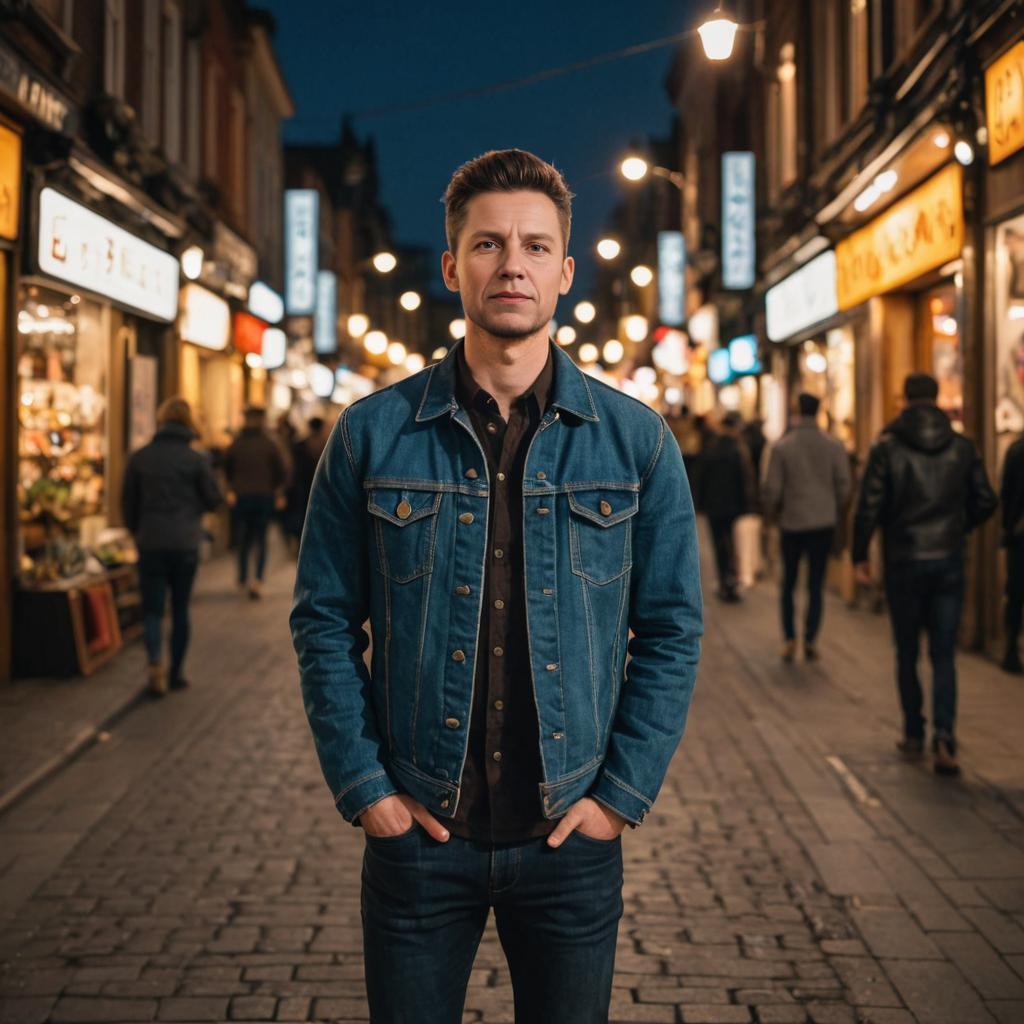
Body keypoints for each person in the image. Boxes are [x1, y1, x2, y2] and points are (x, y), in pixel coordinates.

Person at [290, 148, 703, 1024]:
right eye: (486, 244)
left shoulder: (637, 442)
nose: (510, 262)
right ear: (450, 266)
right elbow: (323, 621)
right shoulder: (372, 435)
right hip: (418, 843)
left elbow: (671, 630)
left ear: (563, 270)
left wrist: (617, 800)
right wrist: (367, 791)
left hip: (570, 842)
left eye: (533, 245)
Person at [852, 373, 997, 776]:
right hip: (949, 559)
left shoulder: (888, 448)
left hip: (904, 560)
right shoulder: (963, 447)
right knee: (944, 653)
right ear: (935, 400)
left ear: (905, 400)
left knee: (907, 650)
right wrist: (958, 526)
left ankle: (914, 730)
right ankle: (945, 736)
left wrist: (860, 553)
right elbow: (986, 499)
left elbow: (869, 506)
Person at [121, 397, 223, 696]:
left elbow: (128, 503)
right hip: (185, 543)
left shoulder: (140, 457)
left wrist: (136, 530)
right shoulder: (196, 460)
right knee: (179, 608)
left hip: (150, 541)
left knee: (152, 609)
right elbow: (212, 499)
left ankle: (155, 664)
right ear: (188, 423)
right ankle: (176, 672)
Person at [762, 393, 851, 662]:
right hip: (823, 522)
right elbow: (845, 486)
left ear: (798, 411)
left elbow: (773, 489)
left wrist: (773, 516)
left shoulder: (783, 447)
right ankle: (811, 637)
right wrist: (833, 507)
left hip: (792, 522)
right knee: (815, 582)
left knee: (788, 583)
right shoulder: (834, 446)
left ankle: (789, 638)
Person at [224, 406, 287, 599]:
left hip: (241, 496)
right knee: (261, 540)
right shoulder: (270, 443)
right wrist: (278, 492)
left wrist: (231, 489)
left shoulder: (236, 443)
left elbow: (227, 468)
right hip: (264, 496)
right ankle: (257, 580)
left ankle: (243, 576)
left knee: (243, 538)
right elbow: (281, 471)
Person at [700, 409, 754, 602]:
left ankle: (723, 579)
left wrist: (700, 503)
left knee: (718, 543)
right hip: (733, 505)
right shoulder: (738, 449)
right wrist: (747, 504)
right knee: (732, 543)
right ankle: (732, 580)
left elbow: (701, 477)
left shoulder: (711, 447)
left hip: (714, 505)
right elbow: (744, 479)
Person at [284, 414, 330, 555]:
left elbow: (294, 469)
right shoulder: (328, 444)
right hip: (323, 489)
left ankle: (301, 546)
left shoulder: (300, 445)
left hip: (303, 488)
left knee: (303, 517)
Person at [1000, 433, 1024, 673]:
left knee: (1016, 595)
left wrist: (1008, 527)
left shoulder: (1016, 449)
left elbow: (1005, 495)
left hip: (1019, 535)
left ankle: (1010, 649)